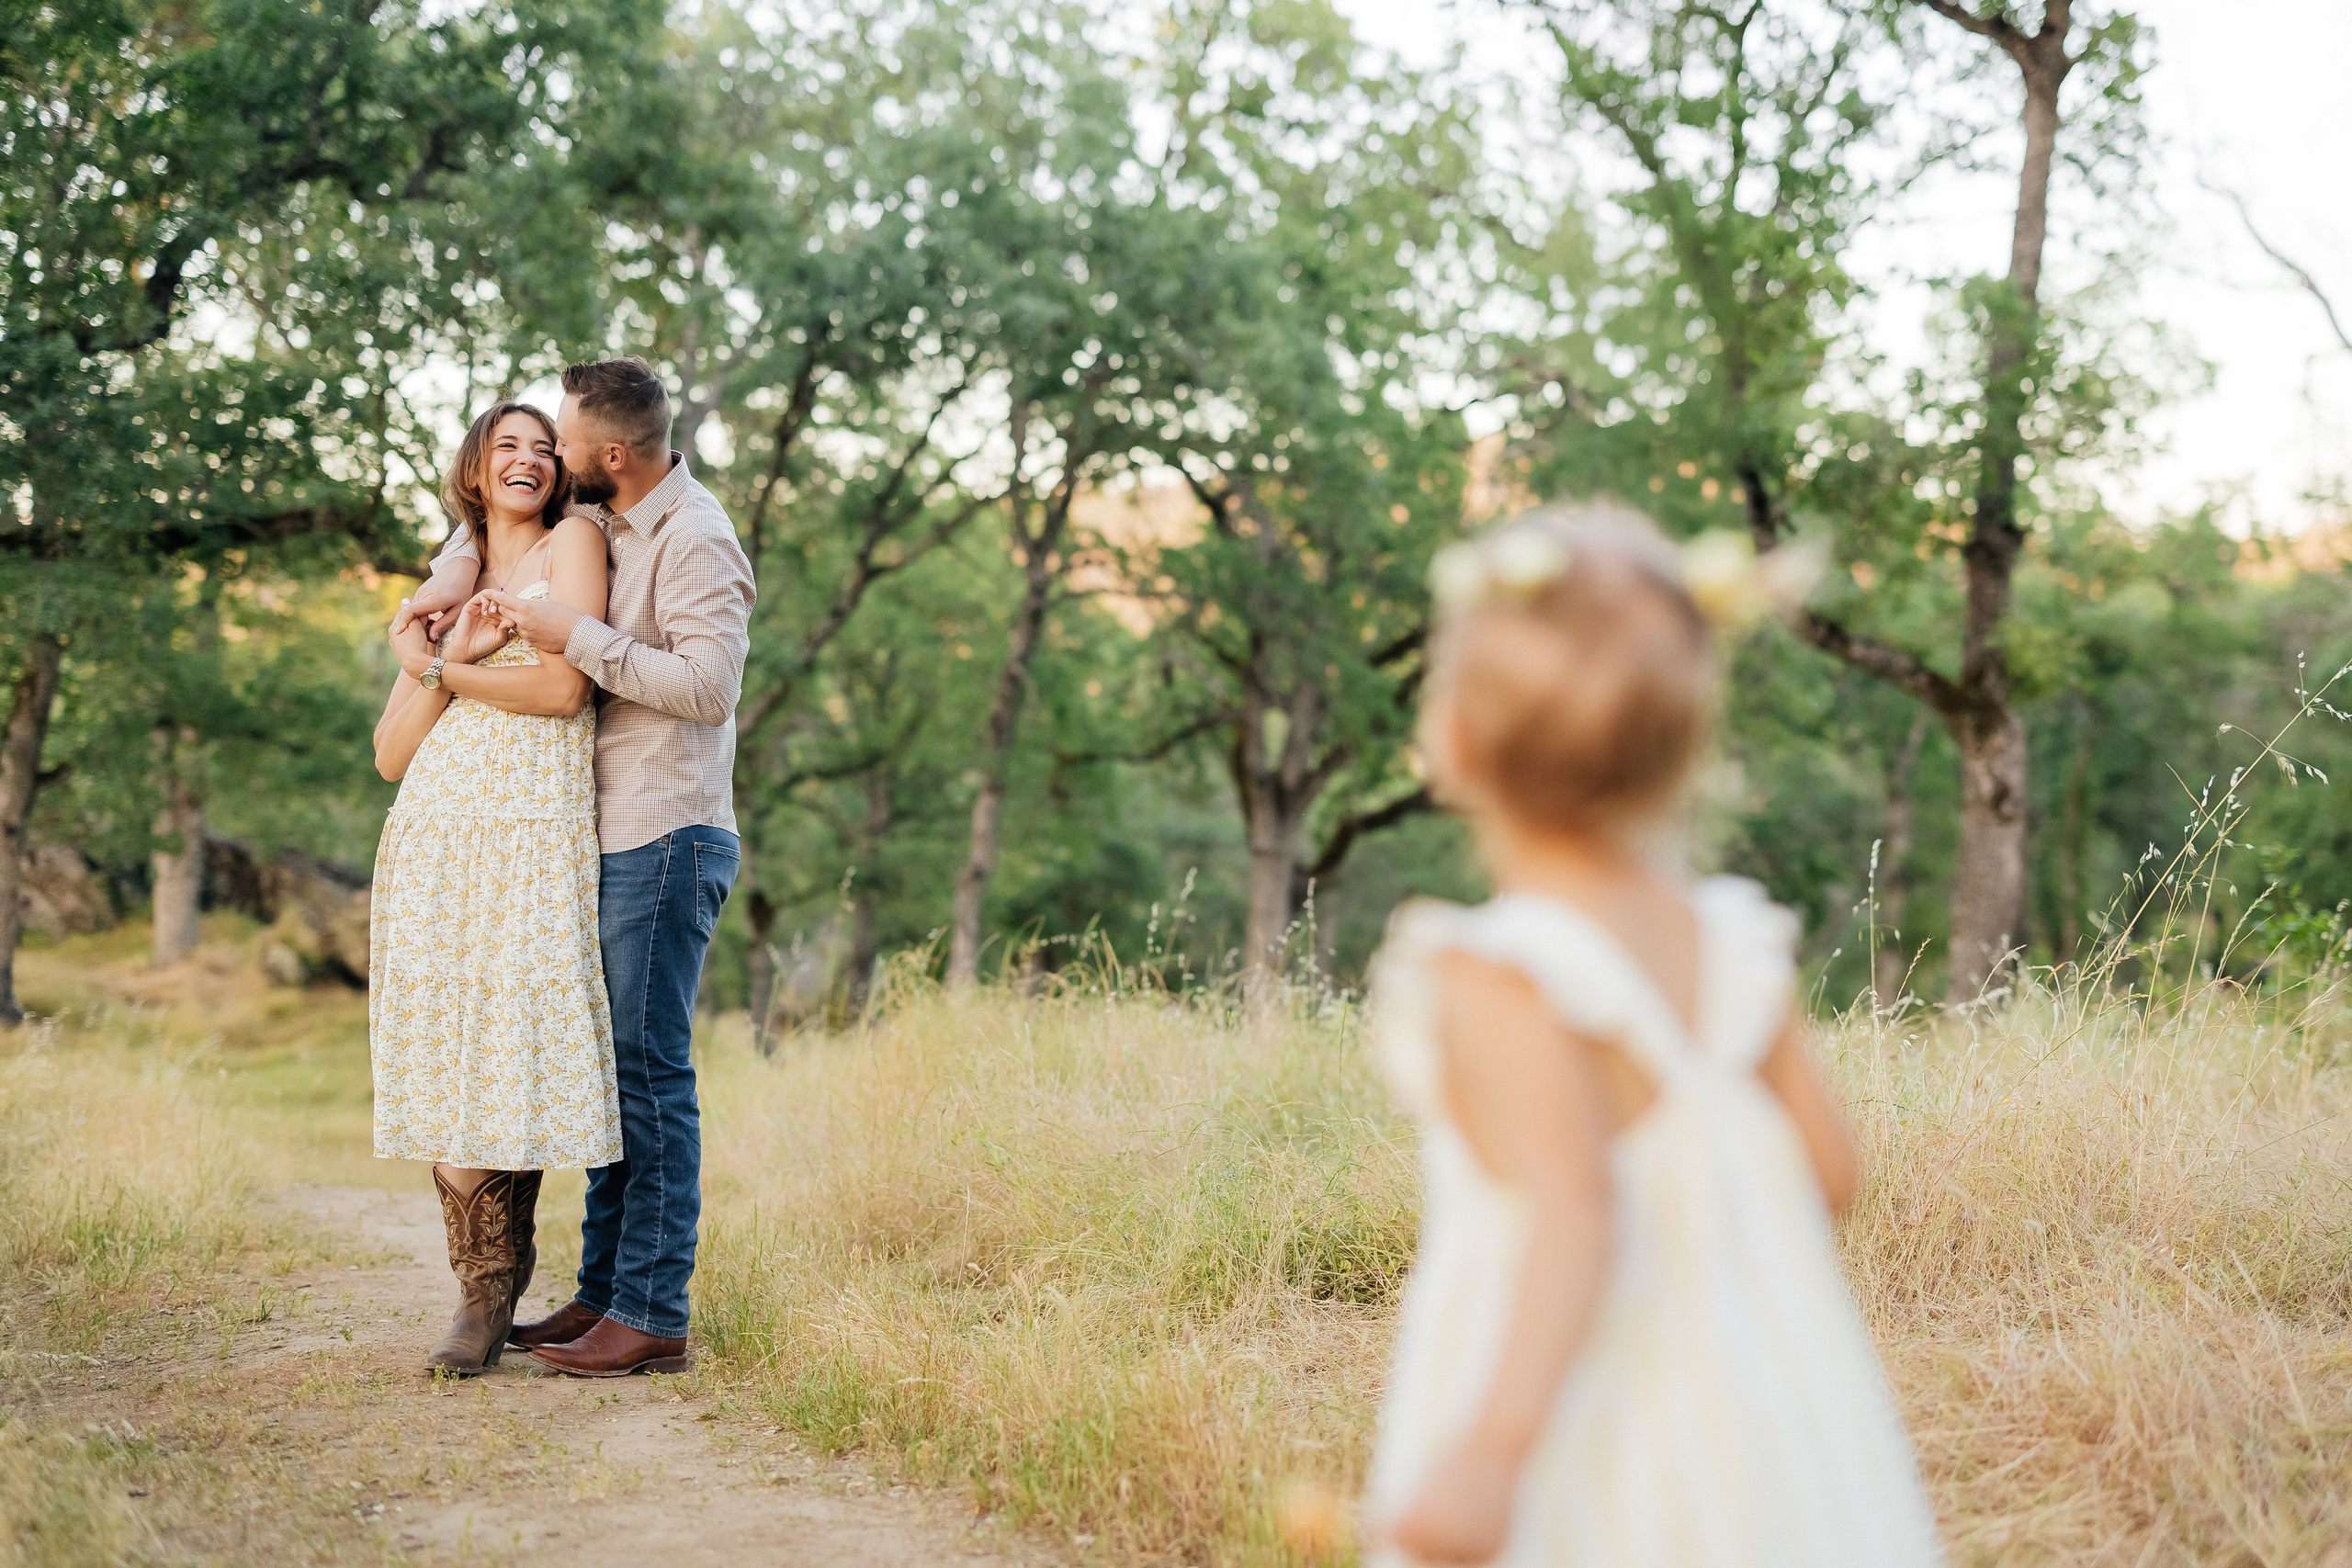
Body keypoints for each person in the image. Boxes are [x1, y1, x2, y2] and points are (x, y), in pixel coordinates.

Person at [1362, 503, 1943, 1567]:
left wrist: (1490, 1455)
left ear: (1455, 740)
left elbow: (1576, 1214)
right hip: (1749, 1419)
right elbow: (1829, 1173)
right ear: (1678, 747)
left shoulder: (1501, 972)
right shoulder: (1731, 942)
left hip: (1583, 1432)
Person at [420, 355, 754, 1378]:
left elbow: (709, 689)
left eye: (564, 440)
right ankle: (603, 1294)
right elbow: (488, 535)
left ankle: (651, 1311)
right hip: (610, 837)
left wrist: (581, 637)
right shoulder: (610, 518)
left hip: (668, 833)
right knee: (613, 1078)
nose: (553, 455)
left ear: (609, 453)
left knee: (649, 1078)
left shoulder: (695, 536)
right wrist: (446, 582)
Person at [371, 400, 617, 1375]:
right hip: (437, 833)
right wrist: (444, 656)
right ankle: (481, 1289)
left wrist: (443, 665)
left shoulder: (574, 541)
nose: (529, 458)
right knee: (449, 1048)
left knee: (512, 1038)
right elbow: (391, 754)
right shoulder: (451, 577)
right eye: (507, 445)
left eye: (544, 448)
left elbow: (564, 690)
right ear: (475, 467)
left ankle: (498, 1282)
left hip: (531, 832)